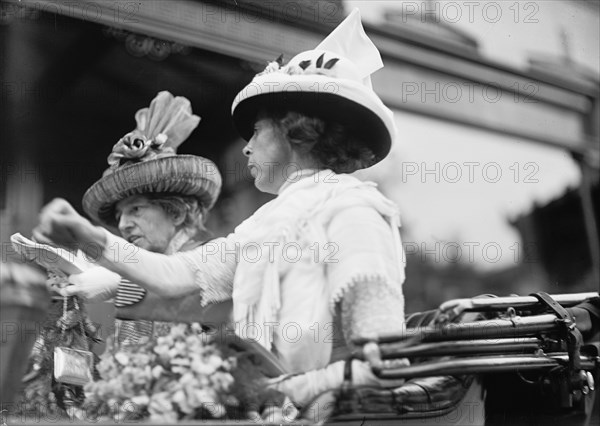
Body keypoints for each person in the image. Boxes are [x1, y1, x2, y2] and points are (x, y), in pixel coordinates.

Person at [34, 9, 407, 410]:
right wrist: (90, 237)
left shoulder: (354, 212)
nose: (246, 146)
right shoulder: (268, 222)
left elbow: (382, 365)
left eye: (258, 130)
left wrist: (271, 393)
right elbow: (177, 275)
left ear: (297, 128)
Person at [59, 90, 226, 346]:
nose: (123, 224)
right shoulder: (131, 277)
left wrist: (118, 284)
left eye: (135, 209)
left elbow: (190, 295)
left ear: (177, 212)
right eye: (119, 215)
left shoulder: (215, 256)